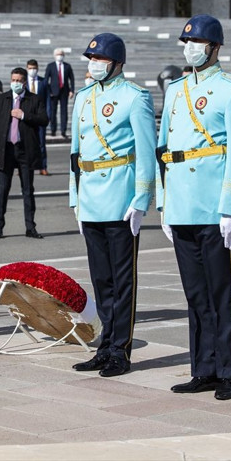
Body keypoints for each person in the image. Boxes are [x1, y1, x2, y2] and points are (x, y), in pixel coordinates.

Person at [157, 15, 231, 400]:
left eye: (196, 41)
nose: (190, 47)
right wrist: (164, 203)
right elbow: (164, 149)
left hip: (214, 207)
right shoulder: (176, 90)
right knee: (195, 295)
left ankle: (228, 372)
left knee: (222, 294)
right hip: (181, 205)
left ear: (214, 47)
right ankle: (203, 368)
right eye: (186, 41)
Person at [69, 33, 156, 378]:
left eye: (100, 60)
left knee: (122, 281)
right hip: (90, 195)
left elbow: (146, 152)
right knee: (101, 279)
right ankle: (105, 345)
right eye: (91, 59)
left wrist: (141, 199)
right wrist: (75, 198)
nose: (94, 65)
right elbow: (76, 153)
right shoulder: (84, 97)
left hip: (121, 198)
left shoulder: (135, 97)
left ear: (117, 63)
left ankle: (120, 349)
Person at [0, 67, 48, 239]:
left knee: (28, 190)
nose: (16, 83)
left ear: (25, 82)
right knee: (2, 189)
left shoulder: (33, 99)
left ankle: (30, 227)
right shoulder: (2, 99)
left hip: (25, 150)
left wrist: (24, 116)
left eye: (19, 80)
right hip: (6, 150)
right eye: (13, 79)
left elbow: (44, 120)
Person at [43, 47, 74, 139]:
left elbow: (71, 79)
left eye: (61, 54)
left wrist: (72, 90)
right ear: (54, 56)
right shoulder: (50, 66)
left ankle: (63, 131)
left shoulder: (67, 66)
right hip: (53, 92)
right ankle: (53, 130)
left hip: (64, 91)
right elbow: (46, 79)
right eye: (58, 54)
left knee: (64, 111)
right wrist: (48, 91)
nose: (59, 56)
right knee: (53, 112)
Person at [26, 59, 51, 175]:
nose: (32, 70)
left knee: (41, 142)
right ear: (27, 68)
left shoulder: (43, 82)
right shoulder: (23, 82)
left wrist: (48, 115)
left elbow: (48, 100)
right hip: (26, 117)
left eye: (34, 68)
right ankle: (24, 166)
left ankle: (43, 166)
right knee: (25, 142)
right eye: (30, 68)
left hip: (40, 116)